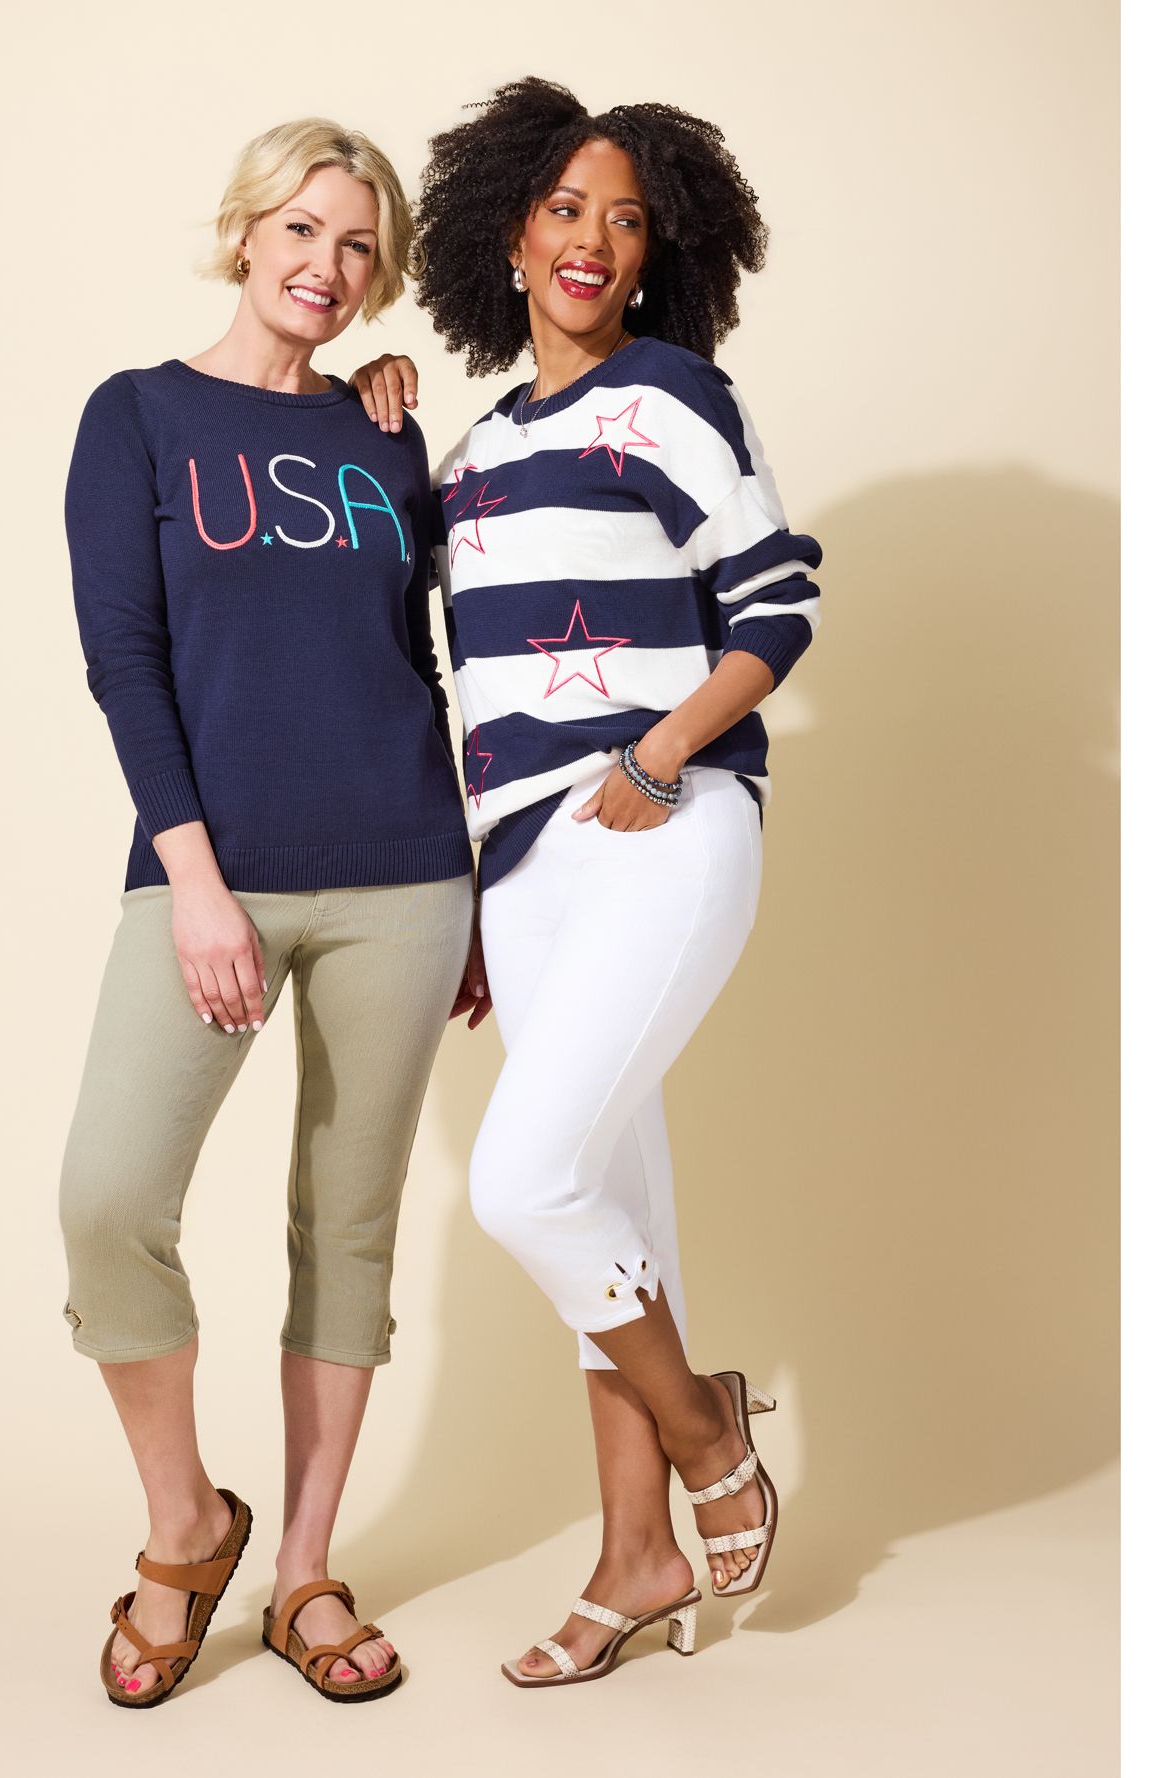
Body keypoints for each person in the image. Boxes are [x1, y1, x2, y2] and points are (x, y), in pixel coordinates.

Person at [351, 78, 824, 1687]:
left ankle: (709, 1436)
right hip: (526, 867)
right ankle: (633, 1560)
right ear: (509, 231)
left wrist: (661, 754)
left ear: (657, 251)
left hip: (661, 822)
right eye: (566, 209)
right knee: (612, 1201)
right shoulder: (477, 453)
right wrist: (378, 409)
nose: (593, 241)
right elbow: (454, 668)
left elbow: (776, 604)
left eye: (625, 220)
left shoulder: (672, 395)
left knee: (525, 1179)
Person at [60, 117, 481, 1709]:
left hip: (407, 872)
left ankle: (304, 1567)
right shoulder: (138, 415)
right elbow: (125, 658)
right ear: (245, 231)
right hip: (213, 874)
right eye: (302, 229)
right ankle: (190, 1528)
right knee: (110, 1197)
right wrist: (195, 880)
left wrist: (477, 885)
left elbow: (421, 662)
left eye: (359, 245)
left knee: (346, 1232)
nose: (327, 264)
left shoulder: (388, 437)